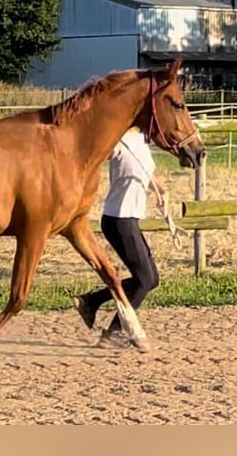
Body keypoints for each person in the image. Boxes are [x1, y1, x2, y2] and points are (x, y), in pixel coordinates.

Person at [73, 127, 169, 349]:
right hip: (118, 219)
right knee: (145, 278)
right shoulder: (117, 140)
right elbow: (90, 159)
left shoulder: (141, 139)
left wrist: (162, 191)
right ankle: (114, 333)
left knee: (150, 279)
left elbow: (145, 171)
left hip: (130, 219)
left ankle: (92, 301)